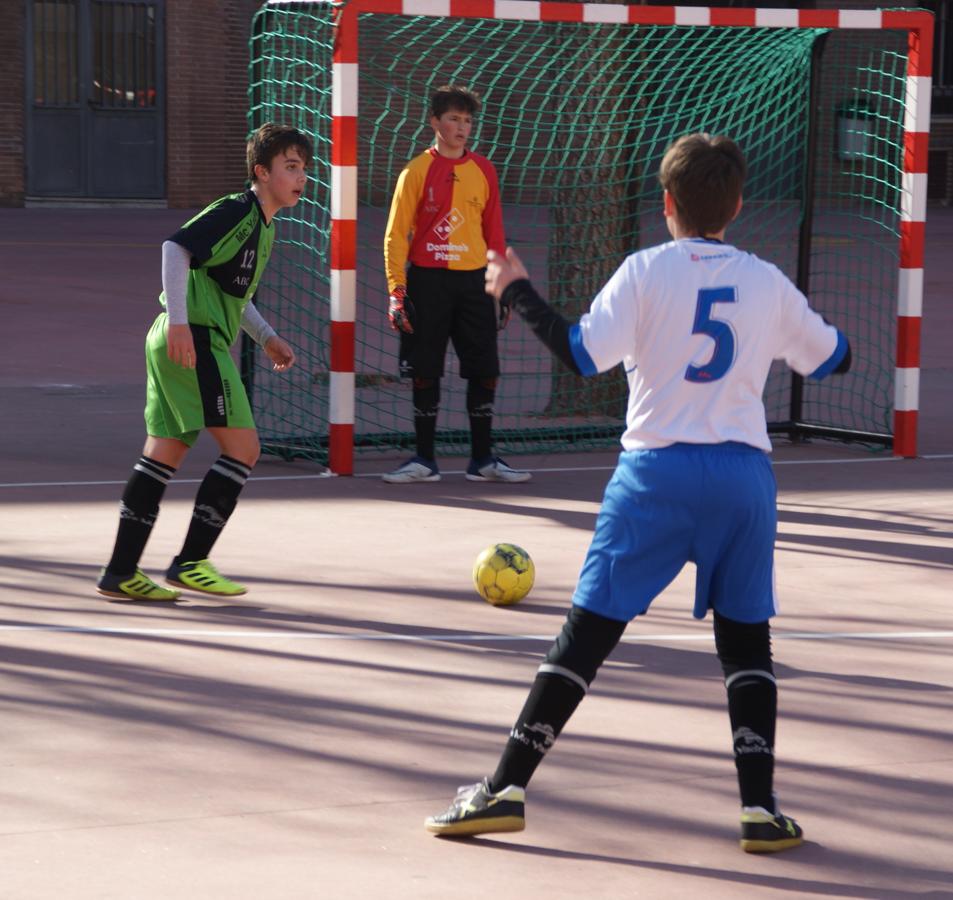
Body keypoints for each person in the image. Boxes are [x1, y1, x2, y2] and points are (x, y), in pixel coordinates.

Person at [424, 133, 852, 853]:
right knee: (746, 642)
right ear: (736, 206)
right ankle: (759, 808)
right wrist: (812, 337)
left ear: (666, 204)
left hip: (655, 476)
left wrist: (516, 289)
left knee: (585, 637)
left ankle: (503, 790)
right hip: (742, 482)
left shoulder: (644, 270)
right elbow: (834, 357)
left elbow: (581, 354)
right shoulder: (766, 281)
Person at [96, 123, 313, 601]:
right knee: (244, 449)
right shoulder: (238, 211)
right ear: (262, 172)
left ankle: (120, 572)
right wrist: (179, 322)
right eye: (291, 167)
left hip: (182, 338)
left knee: (164, 452)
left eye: (303, 168)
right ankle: (190, 563)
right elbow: (175, 248)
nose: (301, 177)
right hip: (192, 339)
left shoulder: (265, 226)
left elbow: (233, 295)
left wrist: (267, 337)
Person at [381, 85, 530, 485]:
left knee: (485, 369)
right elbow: (395, 236)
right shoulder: (415, 172)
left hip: (474, 284)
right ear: (434, 122)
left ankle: (482, 459)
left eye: (467, 120)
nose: (462, 127)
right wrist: (397, 290)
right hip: (427, 282)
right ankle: (423, 460)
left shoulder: (484, 170)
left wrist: (501, 286)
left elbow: (494, 231)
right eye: (453, 119)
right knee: (424, 370)